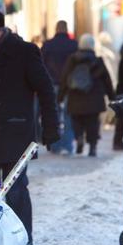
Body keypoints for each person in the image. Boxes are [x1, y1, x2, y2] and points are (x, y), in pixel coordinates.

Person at [0, 10, 59, 245]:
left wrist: (51, 127)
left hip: (15, 135)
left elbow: (46, 90)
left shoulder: (24, 52)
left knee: (16, 189)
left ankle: (23, 238)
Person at [57, 34, 115, 157]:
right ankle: (92, 147)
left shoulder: (72, 59)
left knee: (76, 121)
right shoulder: (98, 61)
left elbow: (64, 78)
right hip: (94, 98)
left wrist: (60, 96)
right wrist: (112, 97)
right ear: (93, 46)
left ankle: (79, 138)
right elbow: (107, 80)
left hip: (75, 98)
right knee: (93, 123)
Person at [41, 20, 77, 154]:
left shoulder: (48, 45)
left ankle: (55, 145)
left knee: (53, 115)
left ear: (56, 29)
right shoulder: (74, 45)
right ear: (66, 29)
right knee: (68, 115)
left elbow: (41, 64)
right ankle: (68, 145)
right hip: (69, 85)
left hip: (51, 84)